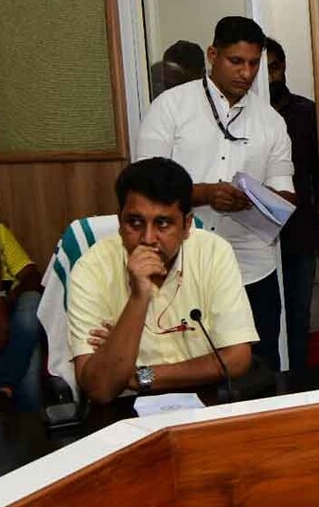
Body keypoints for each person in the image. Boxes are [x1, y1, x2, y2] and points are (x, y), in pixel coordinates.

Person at [136, 16, 295, 371]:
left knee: (260, 370)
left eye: (253, 63)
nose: (246, 72)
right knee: (189, 367)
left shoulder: (271, 121)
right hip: (182, 267)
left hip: (253, 269)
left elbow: (287, 194)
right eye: (235, 61)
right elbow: (143, 186)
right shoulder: (171, 106)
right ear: (212, 55)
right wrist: (206, 193)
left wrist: (255, 197)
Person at [67, 159, 259, 404]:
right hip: (125, 408)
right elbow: (101, 389)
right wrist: (138, 297)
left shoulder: (213, 252)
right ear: (120, 221)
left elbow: (237, 359)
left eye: (163, 223)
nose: (148, 238)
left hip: (204, 400)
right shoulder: (90, 269)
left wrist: (141, 375)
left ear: (186, 225)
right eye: (135, 223)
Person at [265, 37, 319, 369]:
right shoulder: (244, 117)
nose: (269, 76)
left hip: (298, 233)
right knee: (263, 314)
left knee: (298, 315)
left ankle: (298, 381)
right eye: (263, 69)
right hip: (254, 235)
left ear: (283, 67)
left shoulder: (305, 112)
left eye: (274, 67)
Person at [0, 223, 43, 414]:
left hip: (13, 322)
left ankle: (3, 390)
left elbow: (32, 275)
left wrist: (7, 299)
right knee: (31, 347)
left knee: (32, 303)